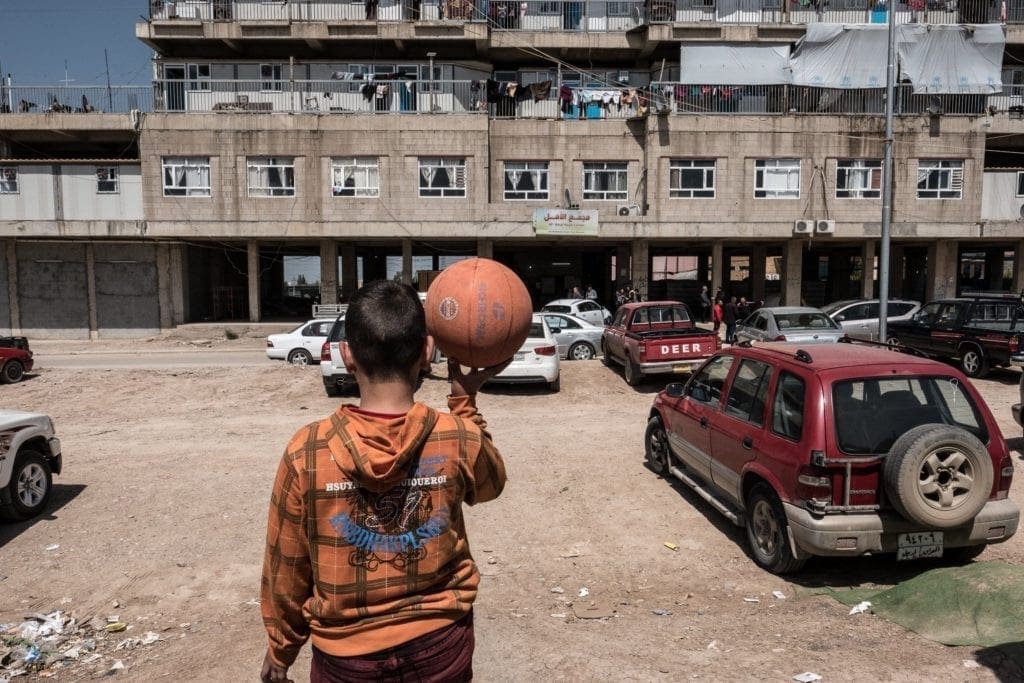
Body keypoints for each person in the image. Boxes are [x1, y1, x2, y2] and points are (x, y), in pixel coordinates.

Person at [260, 280, 508, 683]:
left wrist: (281, 648)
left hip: (346, 656)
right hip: (440, 643)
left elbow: (287, 568)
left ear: (346, 355)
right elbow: (492, 483)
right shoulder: (457, 436)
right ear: (427, 351)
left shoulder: (306, 450)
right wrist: (464, 401)